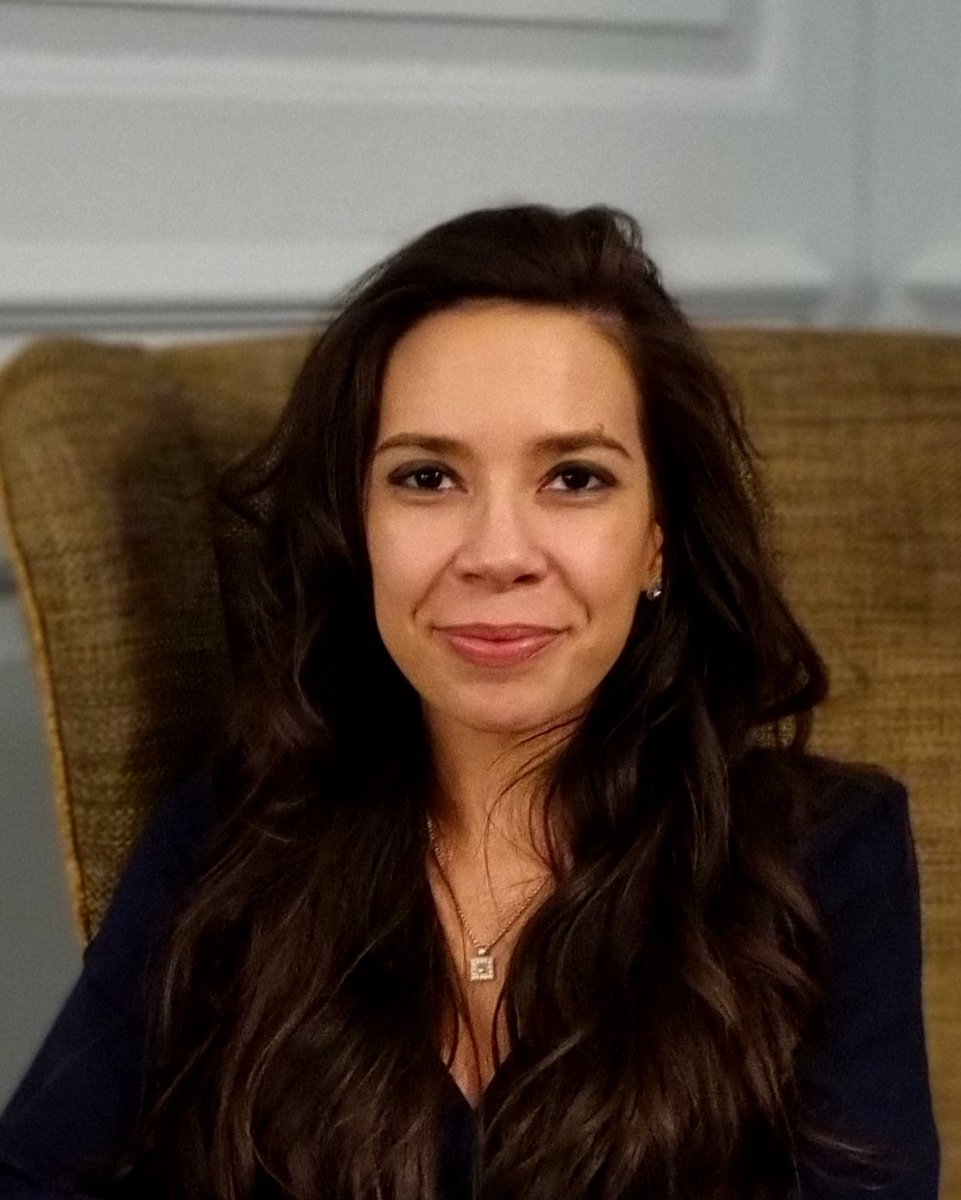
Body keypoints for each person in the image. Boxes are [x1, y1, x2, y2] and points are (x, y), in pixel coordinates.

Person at [0, 203, 939, 1200]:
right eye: (427, 477)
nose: (497, 553)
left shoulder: (824, 855)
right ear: (357, 526)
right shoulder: (231, 842)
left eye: (573, 478)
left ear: (656, 539)